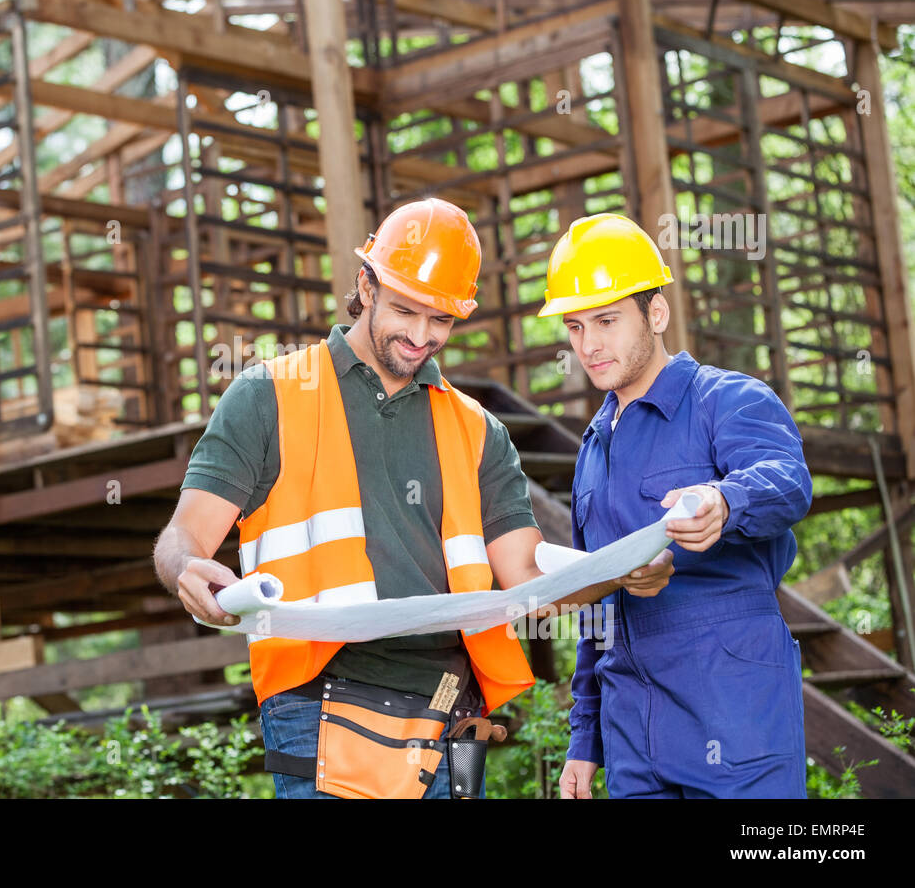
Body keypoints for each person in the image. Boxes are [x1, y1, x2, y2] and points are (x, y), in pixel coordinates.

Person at [153, 197, 674, 799]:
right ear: (365, 286)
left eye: (442, 320)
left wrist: (618, 572)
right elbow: (185, 536)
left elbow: (529, 581)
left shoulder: (480, 431)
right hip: (320, 702)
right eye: (406, 310)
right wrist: (187, 570)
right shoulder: (269, 396)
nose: (423, 336)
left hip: (449, 710)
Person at [542, 213, 813, 799]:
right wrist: (586, 740)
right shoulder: (593, 450)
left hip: (734, 717)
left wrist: (725, 499)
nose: (588, 345)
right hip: (633, 739)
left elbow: (790, 481)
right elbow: (596, 607)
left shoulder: (726, 400)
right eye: (575, 326)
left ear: (656, 314)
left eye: (607, 321)